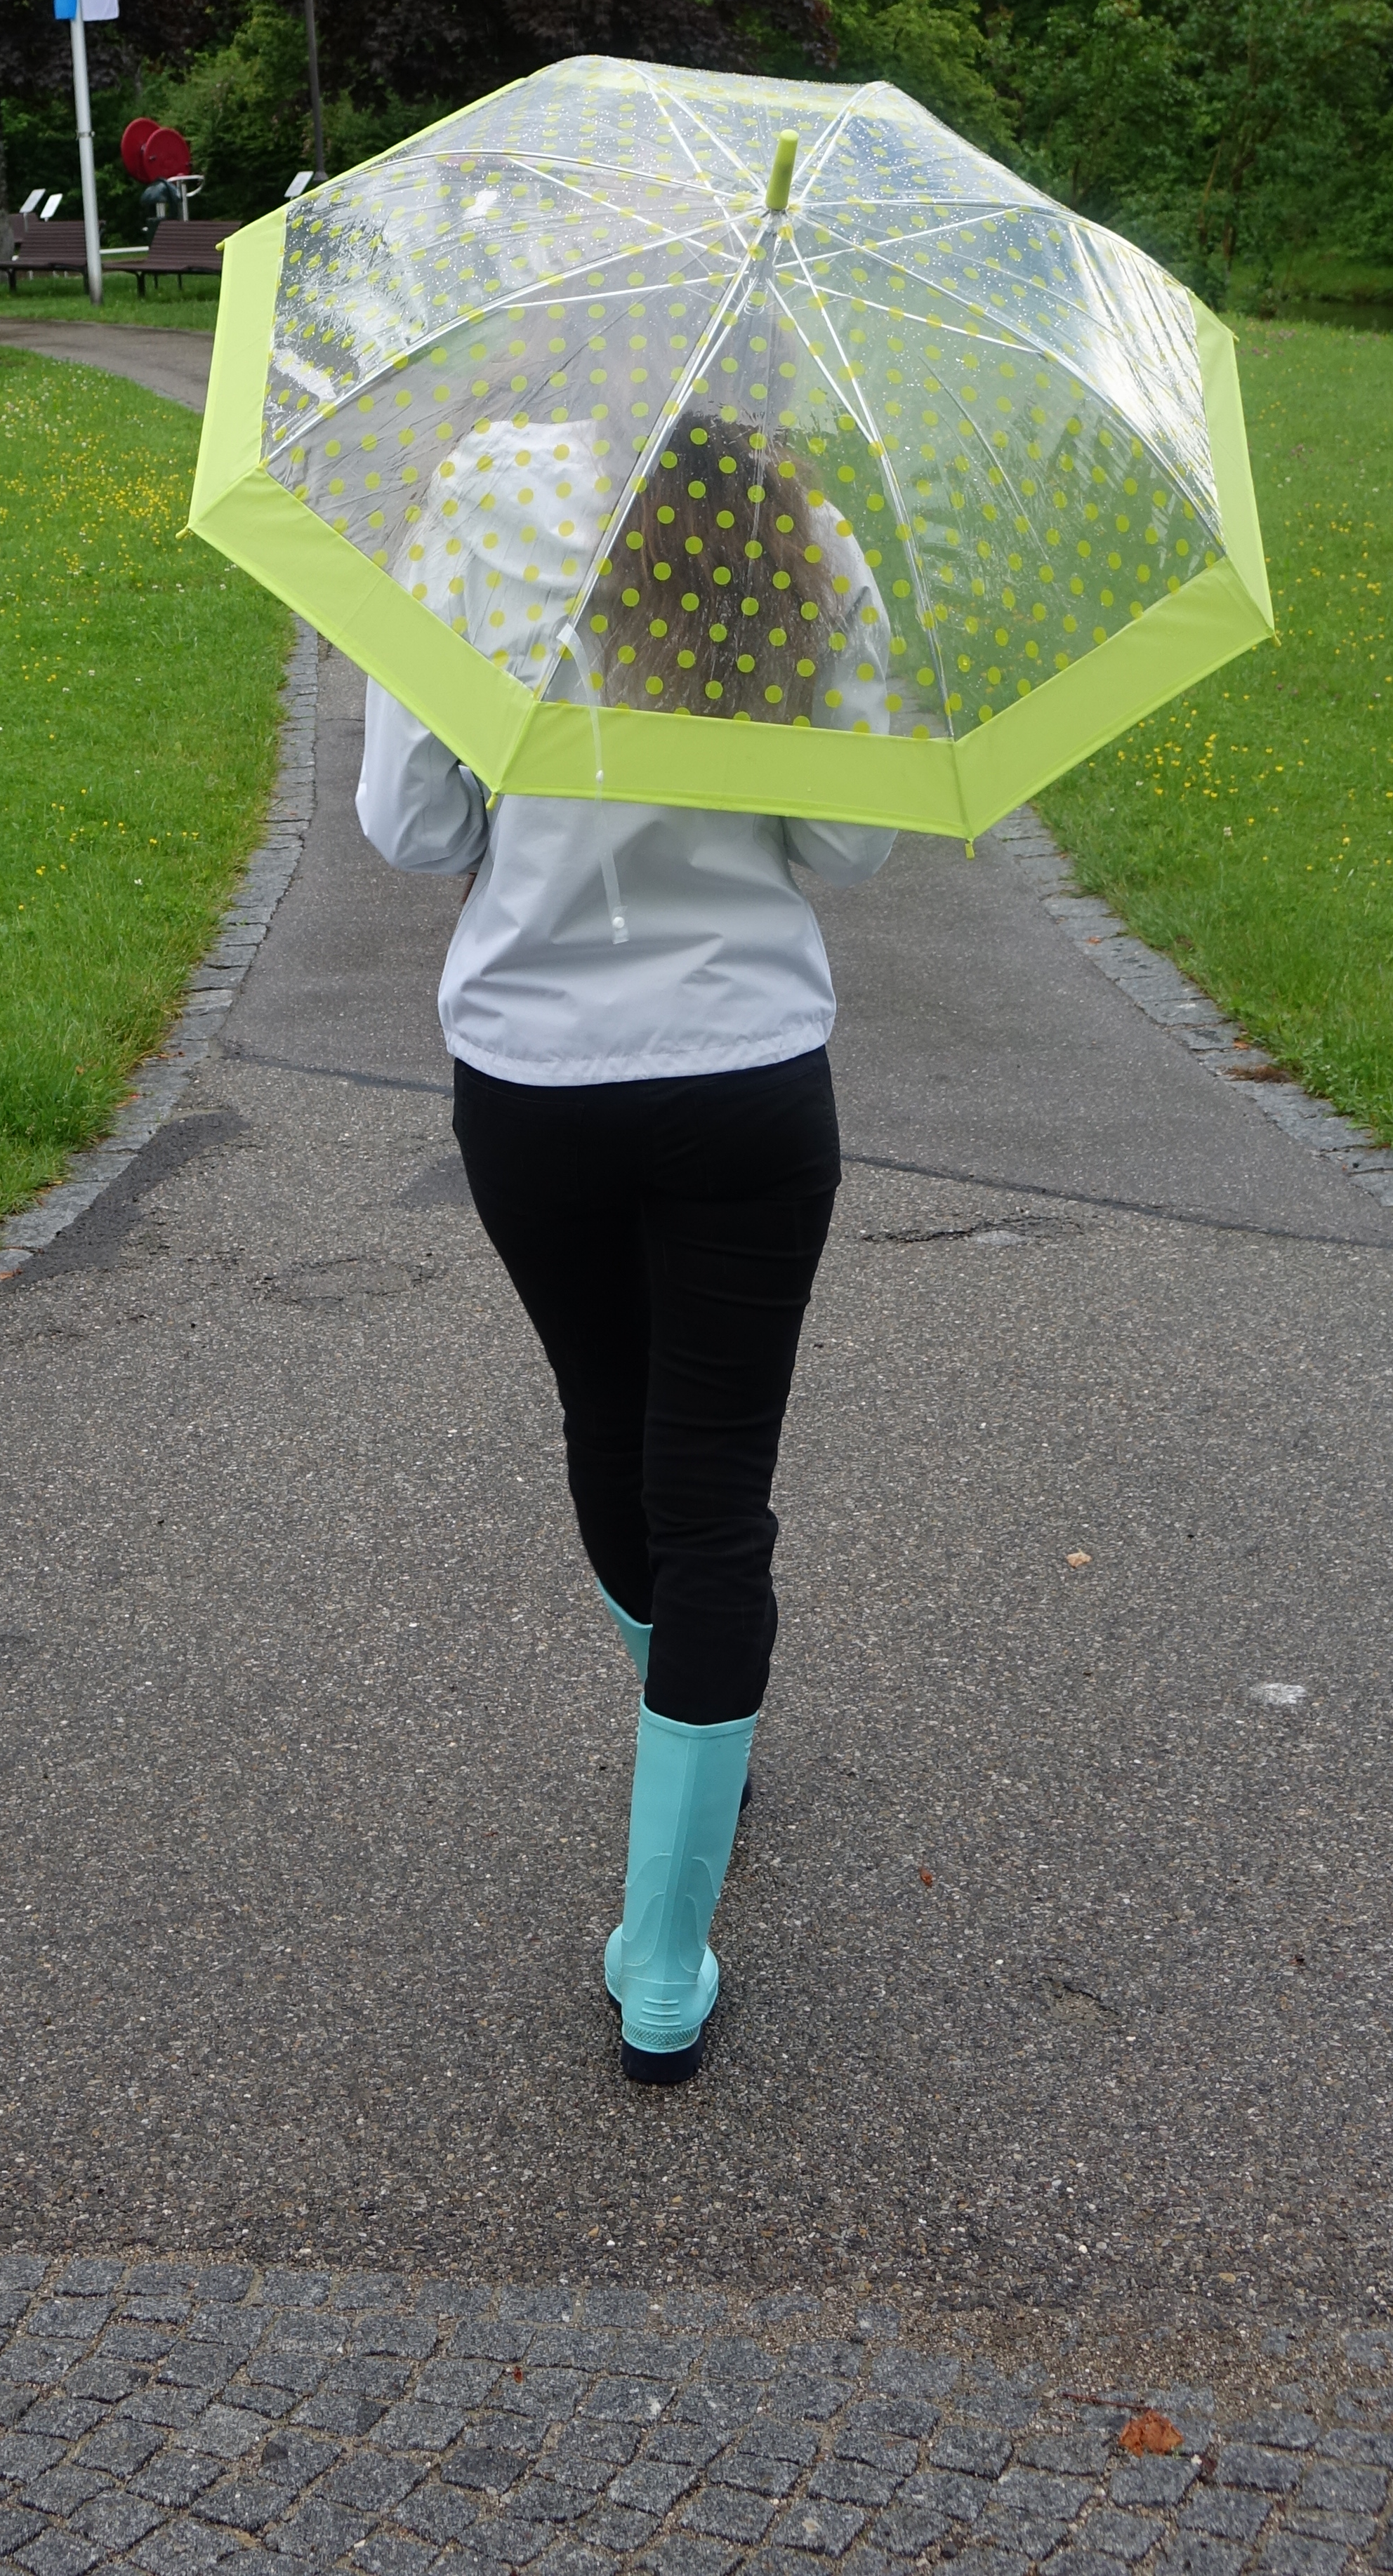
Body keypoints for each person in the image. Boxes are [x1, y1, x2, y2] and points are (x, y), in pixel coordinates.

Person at [355, 416, 897, 2082]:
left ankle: (693, 1729)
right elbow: (853, 844)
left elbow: (411, 826)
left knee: (611, 1416)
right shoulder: (793, 526)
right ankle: (667, 1937)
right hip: (746, 1078)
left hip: (539, 1075)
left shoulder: (482, 505)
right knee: (715, 1490)